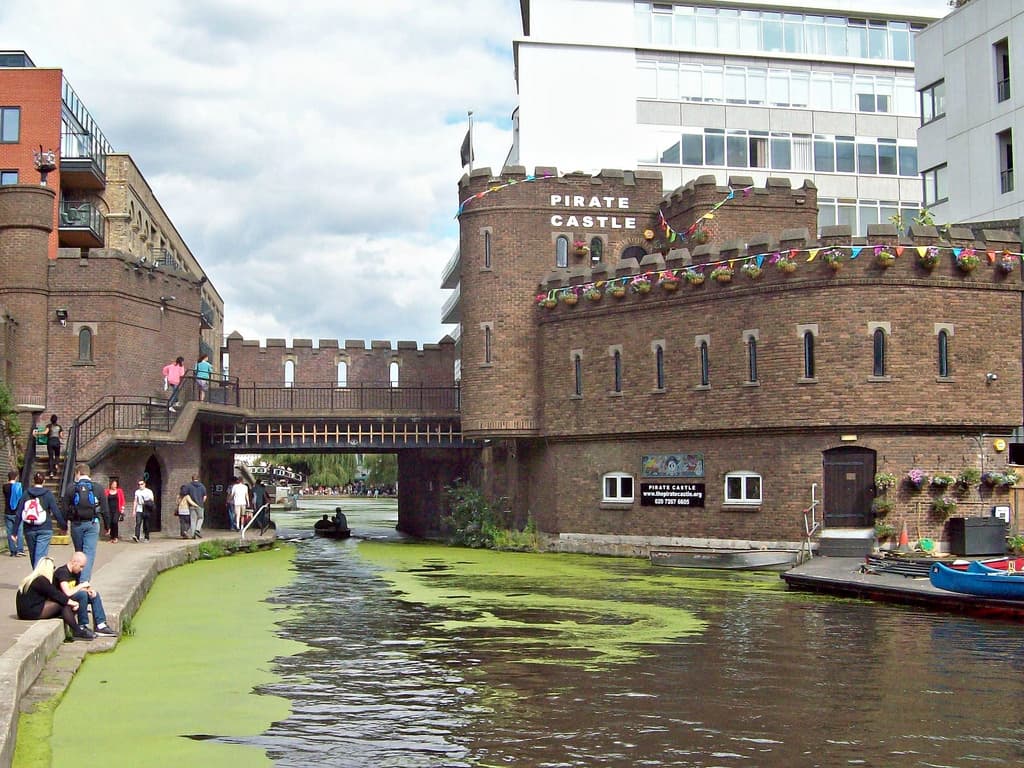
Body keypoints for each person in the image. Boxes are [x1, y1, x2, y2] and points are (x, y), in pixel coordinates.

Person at [15, 556, 91, 640]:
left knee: (62, 603)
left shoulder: (31, 579)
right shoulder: (41, 580)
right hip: (31, 612)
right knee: (63, 604)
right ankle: (77, 630)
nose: (53, 570)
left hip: (23, 612)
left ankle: (74, 629)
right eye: (53, 567)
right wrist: (72, 602)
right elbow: (56, 595)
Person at [53, 552, 117, 638]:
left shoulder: (76, 572)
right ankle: (82, 625)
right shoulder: (62, 572)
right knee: (82, 595)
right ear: (74, 562)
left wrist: (88, 590)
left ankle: (101, 625)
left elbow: (76, 588)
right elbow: (67, 592)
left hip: (73, 597)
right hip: (62, 601)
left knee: (94, 595)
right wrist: (81, 586)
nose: (82, 569)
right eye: (81, 566)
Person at [64, 463, 105, 582]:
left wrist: (63, 524)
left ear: (78, 473)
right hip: (92, 523)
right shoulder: (97, 488)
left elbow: (65, 508)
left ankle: (77, 578)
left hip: (76, 524)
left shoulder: (71, 487)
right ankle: (84, 581)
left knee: (79, 552)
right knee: (89, 553)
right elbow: (105, 508)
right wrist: (107, 525)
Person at [17, 472, 64, 567]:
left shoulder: (26, 493)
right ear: (44, 481)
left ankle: (36, 576)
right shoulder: (48, 494)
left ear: (33, 481)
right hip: (45, 528)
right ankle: (38, 577)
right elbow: (56, 511)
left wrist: (14, 532)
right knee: (40, 556)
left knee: (33, 555)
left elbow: (19, 512)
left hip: (29, 529)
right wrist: (63, 525)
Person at [3, 470, 25, 557]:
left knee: (9, 532)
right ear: (16, 477)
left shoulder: (5, 487)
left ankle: (12, 551)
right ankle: (20, 549)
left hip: (7, 512)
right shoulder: (18, 486)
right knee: (19, 530)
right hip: (17, 513)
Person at [133, 478, 155, 543]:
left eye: (141, 484)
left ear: (144, 484)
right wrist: (134, 510)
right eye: (139, 484)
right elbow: (135, 501)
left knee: (146, 524)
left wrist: (146, 502)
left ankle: (146, 537)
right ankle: (137, 536)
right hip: (139, 509)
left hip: (146, 509)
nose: (140, 485)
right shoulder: (137, 492)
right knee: (138, 523)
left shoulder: (149, 491)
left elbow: (152, 500)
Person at [186, 474, 206, 539]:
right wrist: (202, 502)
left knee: (193, 520)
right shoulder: (202, 486)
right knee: (201, 518)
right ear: (198, 479)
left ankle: (193, 535)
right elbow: (205, 496)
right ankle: (197, 530)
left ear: (192, 479)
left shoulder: (189, 486)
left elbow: (186, 495)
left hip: (192, 505)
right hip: (200, 505)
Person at [105, 479, 125, 543]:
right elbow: (104, 500)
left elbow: (122, 500)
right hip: (109, 509)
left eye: (116, 484)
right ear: (111, 485)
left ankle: (115, 537)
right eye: (113, 484)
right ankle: (111, 538)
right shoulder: (107, 491)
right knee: (110, 522)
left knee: (115, 522)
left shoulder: (119, 491)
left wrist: (122, 508)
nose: (114, 486)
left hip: (117, 509)